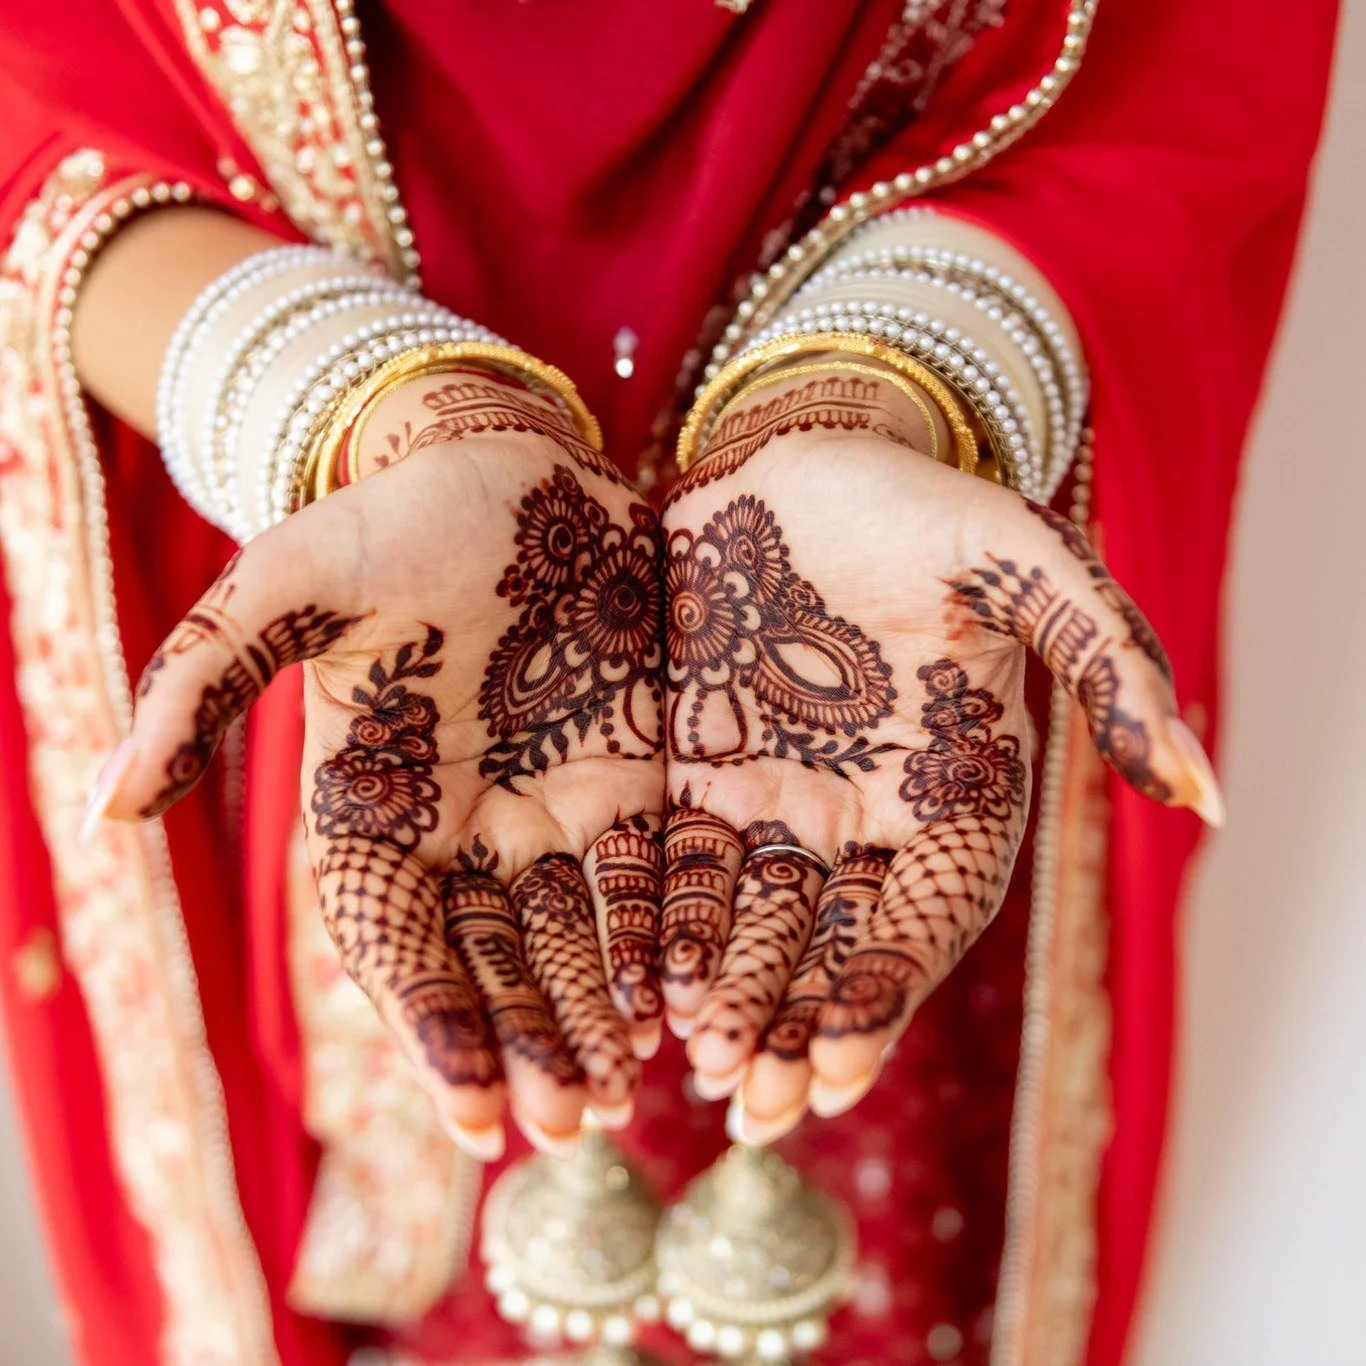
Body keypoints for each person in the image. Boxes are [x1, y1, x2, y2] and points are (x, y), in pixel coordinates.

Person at [0, 3, 1338, 1364]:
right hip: (387, 698)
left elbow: (1191, 75)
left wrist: (882, 383)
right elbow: (40, 99)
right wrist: (342, 401)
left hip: (882, 717)